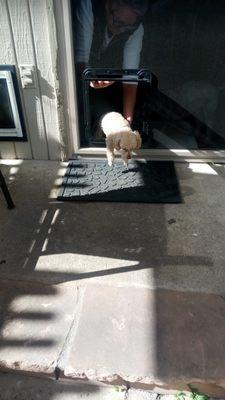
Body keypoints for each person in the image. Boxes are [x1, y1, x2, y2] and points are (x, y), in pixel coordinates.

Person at [73, 0, 149, 136]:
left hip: (108, 86)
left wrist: (127, 123)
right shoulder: (88, 7)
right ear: (108, 5)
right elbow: (80, 61)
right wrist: (90, 79)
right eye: (119, 23)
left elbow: (130, 79)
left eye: (128, 27)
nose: (122, 31)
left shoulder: (136, 29)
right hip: (76, 82)